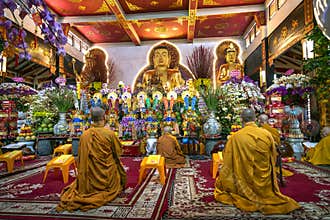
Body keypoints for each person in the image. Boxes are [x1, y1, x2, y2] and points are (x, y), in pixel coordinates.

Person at [214, 108, 300, 214]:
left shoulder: (235, 137)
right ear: (255, 119)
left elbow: (227, 157)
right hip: (264, 180)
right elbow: (273, 156)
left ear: (241, 120)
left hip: (243, 180)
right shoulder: (266, 134)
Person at [57, 107, 126, 212]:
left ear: (91, 118)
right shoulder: (109, 134)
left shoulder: (85, 135)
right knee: (117, 166)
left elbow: (81, 157)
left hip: (89, 178)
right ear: (104, 117)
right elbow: (118, 152)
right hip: (107, 175)